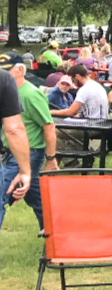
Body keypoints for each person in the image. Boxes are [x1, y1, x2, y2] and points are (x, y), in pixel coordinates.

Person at [0, 65, 57, 230]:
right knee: (36, 197)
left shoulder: (32, 94)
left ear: (19, 70)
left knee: (4, 194)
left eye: (8, 69)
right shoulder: (6, 85)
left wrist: (51, 157)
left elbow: (49, 126)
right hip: (11, 152)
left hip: (28, 153)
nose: (5, 72)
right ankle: (54, 233)